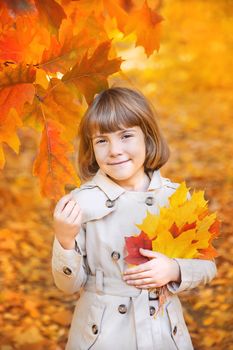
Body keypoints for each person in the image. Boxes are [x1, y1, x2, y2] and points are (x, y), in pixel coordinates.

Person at [52, 87, 217, 350]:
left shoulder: (175, 199)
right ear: (91, 147)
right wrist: (64, 240)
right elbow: (68, 284)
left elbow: (208, 266)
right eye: (101, 141)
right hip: (103, 333)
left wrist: (174, 269)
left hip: (162, 329)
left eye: (126, 136)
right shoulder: (80, 204)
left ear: (148, 139)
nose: (115, 150)